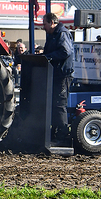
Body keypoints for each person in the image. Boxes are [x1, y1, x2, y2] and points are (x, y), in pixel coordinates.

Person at [43, 12, 74, 142]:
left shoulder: (62, 34)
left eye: (45, 24)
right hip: (56, 74)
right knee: (54, 104)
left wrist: (48, 57)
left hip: (62, 75)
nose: (43, 27)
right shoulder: (53, 35)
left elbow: (65, 51)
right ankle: (55, 132)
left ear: (52, 23)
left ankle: (63, 135)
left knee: (59, 104)